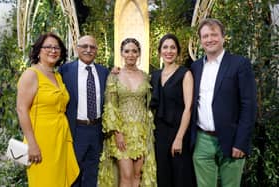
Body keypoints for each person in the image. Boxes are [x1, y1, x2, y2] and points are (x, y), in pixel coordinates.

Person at [190, 18, 257, 187]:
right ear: (200, 40)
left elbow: (248, 106)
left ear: (223, 37)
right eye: (205, 36)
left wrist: (241, 142)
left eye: (214, 35)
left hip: (231, 139)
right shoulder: (195, 67)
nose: (209, 39)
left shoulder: (239, 64)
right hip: (202, 140)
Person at [16, 32, 79, 187]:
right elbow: (21, 109)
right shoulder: (31, 74)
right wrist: (32, 144)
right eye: (48, 47)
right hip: (41, 139)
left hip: (60, 137)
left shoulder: (57, 76)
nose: (53, 50)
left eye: (56, 48)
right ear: (38, 51)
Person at [98, 38, 157, 187]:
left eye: (134, 51)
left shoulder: (146, 76)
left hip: (142, 132)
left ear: (139, 54)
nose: (131, 54)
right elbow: (110, 106)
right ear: (122, 54)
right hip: (122, 131)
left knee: (137, 175)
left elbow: (150, 103)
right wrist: (117, 133)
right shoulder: (114, 75)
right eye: (127, 51)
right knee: (126, 175)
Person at [59, 35, 109, 187]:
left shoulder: (104, 72)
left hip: (96, 130)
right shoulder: (65, 71)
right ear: (77, 48)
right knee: (73, 174)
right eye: (84, 46)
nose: (88, 50)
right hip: (75, 130)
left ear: (96, 50)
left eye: (92, 47)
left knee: (92, 175)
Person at [150, 33, 196, 187]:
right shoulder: (154, 75)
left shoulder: (185, 74)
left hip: (179, 131)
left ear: (177, 51)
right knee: (163, 176)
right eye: (165, 47)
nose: (168, 51)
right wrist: (117, 72)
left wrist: (179, 138)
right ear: (159, 51)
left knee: (180, 176)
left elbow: (188, 108)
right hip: (159, 133)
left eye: (172, 47)